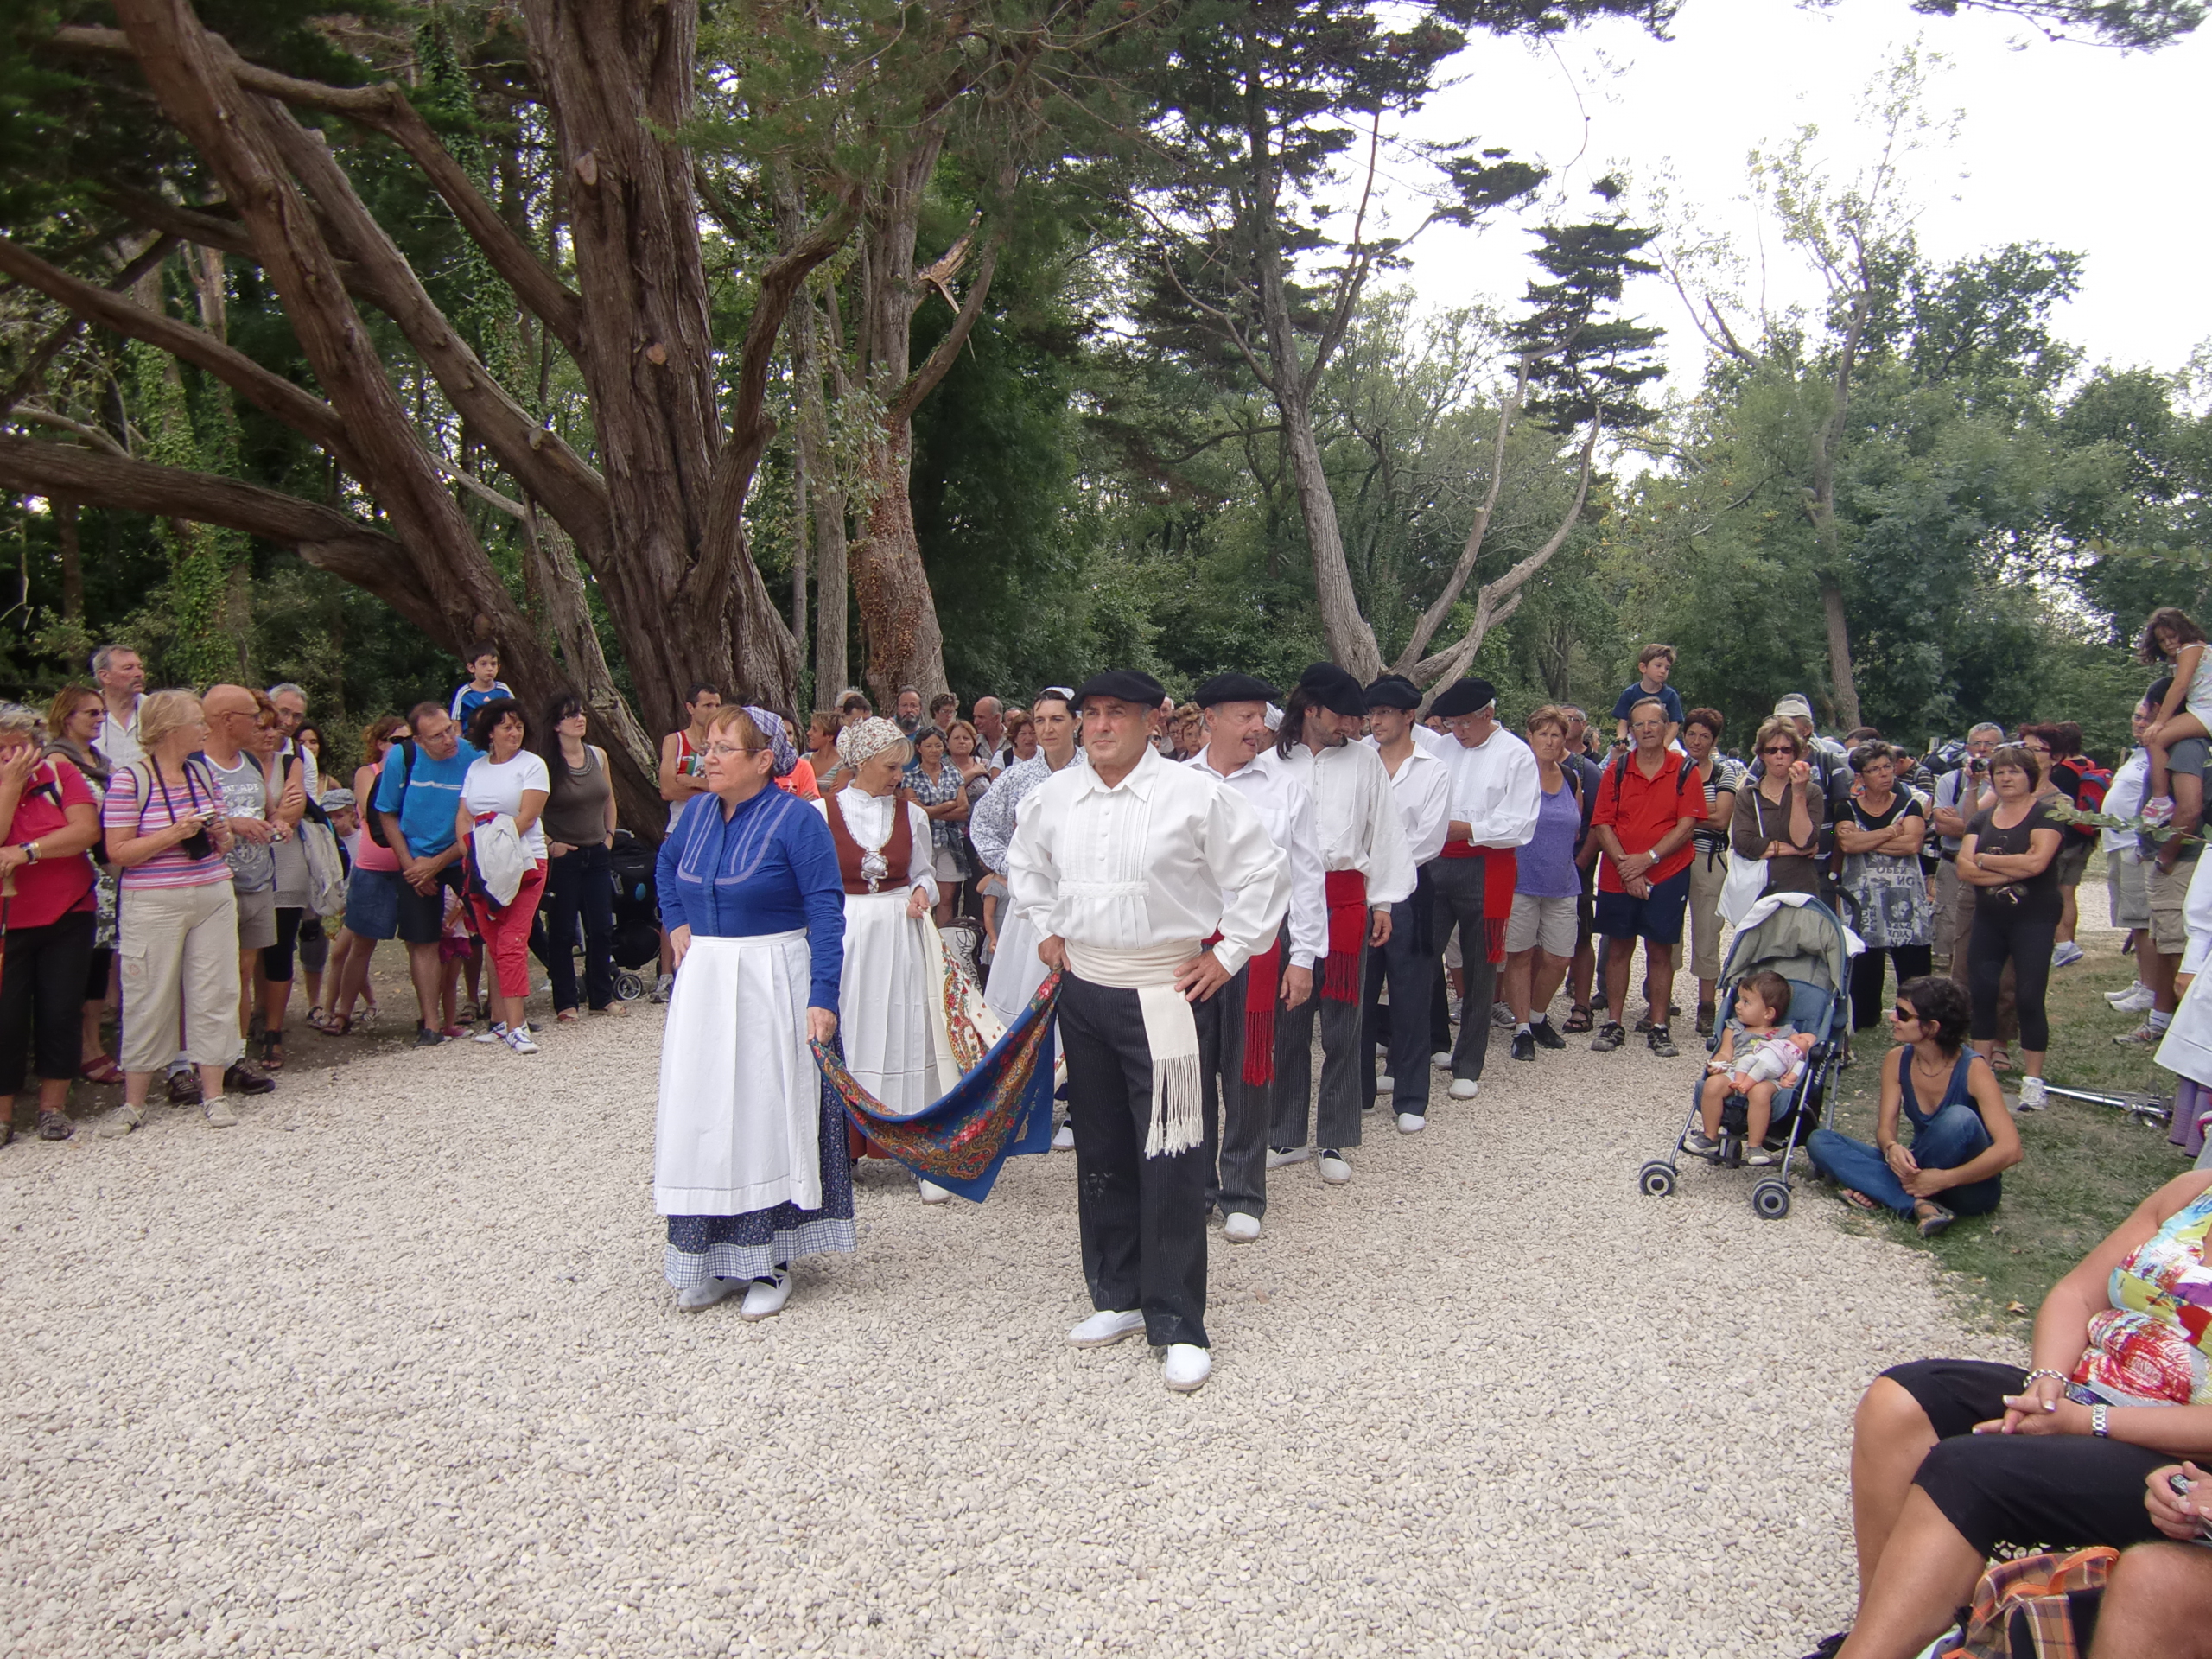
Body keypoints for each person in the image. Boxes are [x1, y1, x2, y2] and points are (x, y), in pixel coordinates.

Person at [1006, 668, 1289, 1394]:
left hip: (1165, 992)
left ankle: (1178, 1321)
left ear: (1150, 722)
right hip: (1085, 991)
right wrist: (1046, 930)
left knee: (1170, 1154)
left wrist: (1228, 955)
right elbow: (1024, 864)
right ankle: (1118, 1293)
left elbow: (1264, 873)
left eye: (1117, 713)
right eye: (1092, 713)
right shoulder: (1055, 797)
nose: (1101, 726)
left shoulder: (1194, 796)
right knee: (1101, 1148)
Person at [1808, 1166, 2212, 1659]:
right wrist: (2046, 1383)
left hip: (2174, 1451)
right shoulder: (2194, 1191)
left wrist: (2085, 1422)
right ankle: (1880, 1632)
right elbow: (2078, 1293)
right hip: (2083, 1395)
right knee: (1901, 1401)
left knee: (1967, 1468)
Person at [652, 706, 847, 1320]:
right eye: (706, 747)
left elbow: (826, 910)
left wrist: (823, 994)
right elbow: (666, 866)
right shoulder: (697, 815)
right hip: (707, 982)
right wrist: (676, 921)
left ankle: (769, 1260)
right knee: (703, 1110)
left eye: (722, 748)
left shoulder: (798, 821)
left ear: (764, 760)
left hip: (771, 979)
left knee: (763, 1112)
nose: (707, 758)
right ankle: (710, 1257)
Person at [1185, 673, 1322, 1243]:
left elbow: (1306, 876)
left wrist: (1305, 956)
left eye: (1261, 715)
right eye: (1243, 716)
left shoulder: (1286, 788)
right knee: (1187, 1071)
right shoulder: (1176, 783)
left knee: (1248, 1070)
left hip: (1258, 947)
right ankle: (1193, 1189)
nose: (1257, 727)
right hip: (1189, 948)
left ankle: (1243, 1191)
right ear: (1210, 719)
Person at [1265, 664, 1414, 1183]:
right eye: (1344, 716)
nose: (1354, 726)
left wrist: (1383, 902)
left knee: (1344, 1025)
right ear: (1311, 709)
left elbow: (1384, 828)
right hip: (1284, 901)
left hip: (1347, 898)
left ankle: (1336, 1136)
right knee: (1287, 1022)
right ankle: (1286, 1133)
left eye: (1358, 717)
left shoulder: (1365, 761)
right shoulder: (1269, 763)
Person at [816, 716, 954, 1203]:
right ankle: (842, 1149)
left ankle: (914, 1150)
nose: (899, 776)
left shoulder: (912, 815)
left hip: (899, 934)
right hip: (846, 934)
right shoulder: (821, 811)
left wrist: (920, 892)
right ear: (862, 761)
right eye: (891, 766)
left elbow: (924, 873)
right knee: (849, 1029)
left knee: (905, 1030)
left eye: (902, 767)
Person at [96, 691, 245, 1135]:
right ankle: (134, 1103)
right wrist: (173, 834)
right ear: (169, 729)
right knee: (148, 994)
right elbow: (117, 851)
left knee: (216, 990)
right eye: (197, 722)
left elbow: (226, 843)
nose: (205, 729)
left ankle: (214, 1094)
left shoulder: (202, 774)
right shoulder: (130, 781)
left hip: (211, 891)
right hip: (153, 900)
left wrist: (221, 833)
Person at [1806, 976, 2020, 1240]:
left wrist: (1945, 1179)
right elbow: (1886, 1129)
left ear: (1932, 1027)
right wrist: (1891, 1148)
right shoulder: (1896, 1059)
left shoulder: (1974, 1069)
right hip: (1917, 1169)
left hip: (1968, 1187)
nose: (1893, 1018)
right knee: (1821, 1140)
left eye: (1903, 1014)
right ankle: (1921, 1206)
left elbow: (2011, 1150)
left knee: (1960, 1118)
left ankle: (1883, 1190)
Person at [1429, 677, 1541, 1100]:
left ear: (1488, 714)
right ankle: (1430, 1044)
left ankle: (1468, 1061)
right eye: (1451, 723)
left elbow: (1521, 823)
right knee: (1421, 957)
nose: (1457, 731)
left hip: (1486, 863)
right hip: (1436, 861)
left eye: (1464, 723)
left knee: (1480, 966)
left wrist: (1470, 829)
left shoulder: (1516, 754)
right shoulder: (1440, 748)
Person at [0, 704, 100, 1144]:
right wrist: (9, 786)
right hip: (8, 921)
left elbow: (85, 832)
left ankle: (53, 1108)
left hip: (68, 910)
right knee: (6, 1017)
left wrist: (27, 851)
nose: (11, 755)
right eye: (2, 748)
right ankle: (3, 1116)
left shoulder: (60, 775)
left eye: (19, 745)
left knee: (60, 1010)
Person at [1588, 696, 1707, 1058]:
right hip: (1619, 873)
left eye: (1653, 722)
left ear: (1667, 726)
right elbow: (1602, 822)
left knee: (1660, 950)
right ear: (1631, 730)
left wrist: (1648, 859)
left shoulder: (1684, 769)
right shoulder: (1617, 770)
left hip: (1668, 872)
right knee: (1618, 948)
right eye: (1638, 724)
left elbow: (1687, 825)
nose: (1646, 729)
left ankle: (1659, 1025)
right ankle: (1614, 1022)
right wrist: (1628, 868)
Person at [1361, 675, 1451, 1128]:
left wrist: (1383, 868)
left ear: (1408, 716)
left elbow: (1429, 838)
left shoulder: (1433, 769)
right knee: (1359, 992)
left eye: (1384, 713)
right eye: (1372, 713)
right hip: (1360, 890)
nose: (1375, 721)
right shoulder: (1358, 762)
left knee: (1411, 992)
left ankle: (1412, 1098)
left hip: (1411, 889)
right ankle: (1358, 1089)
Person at [1957, 743, 2065, 1110]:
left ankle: (2033, 1081)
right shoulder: (1981, 819)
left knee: (2029, 995)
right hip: (1990, 917)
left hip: (2034, 917)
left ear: (2030, 776)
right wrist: (2010, 869)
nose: (2006, 778)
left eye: (2014, 771)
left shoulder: (2046, 815)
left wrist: (1985, 860)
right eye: (2000, 772)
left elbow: (2038, 864)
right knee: (1982, 992)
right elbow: (1964, 869)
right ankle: (1981, 1071)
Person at [969, 688, 1082, 1035]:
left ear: (1076, 723)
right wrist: (1012, 868)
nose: (1048, 728)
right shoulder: (1017, 777)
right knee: (1025, 993)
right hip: (1032, 904)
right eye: (1041, 720)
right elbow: (982, 824)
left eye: (1057, 719)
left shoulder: (1094, 772)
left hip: (1079, 900)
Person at [197, 686, 291, 1084]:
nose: (260, 722)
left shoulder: (250, 761)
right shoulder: (195, 763)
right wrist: (234, 824)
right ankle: (196, 1061)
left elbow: (267, 809)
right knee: (208, 974)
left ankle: (235, 1057)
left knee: (243, 971)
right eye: (252, 715)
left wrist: (278, 821)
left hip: (257, 879)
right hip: (215, 880)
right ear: (226, 720)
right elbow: (187, 816)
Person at [374, 702, 479, 1047]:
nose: (448, 740)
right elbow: (387, 813)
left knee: (489, 928)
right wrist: (411, 866)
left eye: (450, 730)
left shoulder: (470, 755)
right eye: (437, 736)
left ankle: (501, 1014)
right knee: (423, 940)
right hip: (416, 857)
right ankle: (430, 1024)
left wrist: (438, 862)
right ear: (418, 740)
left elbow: (478, 816)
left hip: (459, 853)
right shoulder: (401, 759)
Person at [456, 697, 550, 1053]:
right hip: (481, 864)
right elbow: (464, 814)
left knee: (512, 939)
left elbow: (527, 816)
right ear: (490, 732)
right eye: (506, 727)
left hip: (524, 861)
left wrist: (491, 845)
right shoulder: (476, 768)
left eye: (519, 726)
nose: (514, 733)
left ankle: (517, 1024)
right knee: (494, 940)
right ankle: (502, 1021)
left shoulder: (532, 765)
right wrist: (471, 850)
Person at [44, 682, 122, 1087]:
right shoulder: (56, 762)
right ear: (66, 716)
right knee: (77, 963)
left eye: (102, 712)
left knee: (99, 961)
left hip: (108, 876)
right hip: (78, 875)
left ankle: (92, 1042)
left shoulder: (100, 762)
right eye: (91, 713)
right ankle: (81, 1049)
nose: (100, 719)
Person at [2123, 673, 2205, 1050]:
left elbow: (2189, 809)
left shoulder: (2186, 747)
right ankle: (2161, 1018)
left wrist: (2167, 854)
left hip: (2180, 860)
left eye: (2147, 710)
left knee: (2175, 945)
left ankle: (2180, 1028)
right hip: (2170, 858)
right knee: (2162, 938)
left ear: (2160, 707)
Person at [1502, 705, 1584, 1064]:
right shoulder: (1515, 776)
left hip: (1562, 882)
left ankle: (1537, 1015)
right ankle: (1522, 1028)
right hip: (1521, 880)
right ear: (1529, 736)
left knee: (1559, 957)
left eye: (1556, 735)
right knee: (1519, 955)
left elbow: (1577, 823)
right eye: (1543, 734)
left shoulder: (1571, 777)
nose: (1550, 741)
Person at [1836, 743, 1936, 1033]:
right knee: (1864, 964)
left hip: (1905, 898)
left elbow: (1912, 844)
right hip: (1863, 900)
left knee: (1914, 965)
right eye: (1874, 769)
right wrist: (1892, 831)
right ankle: (1865, 1016)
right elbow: (1847, 843)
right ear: (1860, 777)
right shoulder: (1845, 808)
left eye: (1887, 767)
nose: (1884, 774)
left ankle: (1917, 1017)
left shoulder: (1911, 805)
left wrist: (1866, 840)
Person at [537, 690, 622, 1024]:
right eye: (571, 715)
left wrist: (610, 836)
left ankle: (602, 995)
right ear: (557, 725)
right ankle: (566, 1000)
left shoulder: (598, 756)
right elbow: (532, 809)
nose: (580, 719)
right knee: (562, 931)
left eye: (582, 713)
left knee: (601, 927)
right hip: (565, 856)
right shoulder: (545, 763)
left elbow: (608, 798)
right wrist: (550, 844)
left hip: (597, 851)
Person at [322, 715, 408, 1035]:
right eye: (396, 741)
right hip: (373, 867)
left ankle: (433, 1017)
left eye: (408, 741)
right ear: (380, 743)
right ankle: (343, 1012)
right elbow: (376, 810)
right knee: (360, 945)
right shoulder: (367, 773)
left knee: (424, 944)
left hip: (409, 867)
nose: (403, 747)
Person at [1688, 970, 1817, 1165]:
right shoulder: (1734, 1029)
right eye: (1739, 999)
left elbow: (1801, 1052)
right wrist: (1717, 1063)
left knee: (1760, 1092)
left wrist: (1792, 1074)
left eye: (1746, 1002)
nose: (1737, 1006)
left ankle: (1755, 1146)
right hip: (1735, 1072)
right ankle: (1710, 1136)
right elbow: (1725, 1053)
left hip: (1769, 1078)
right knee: (1712, 1084)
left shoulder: (1786, 1034)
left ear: (1768, 1013)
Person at [656, 683, 722, 1001]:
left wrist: (695, 782)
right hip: (680, 828)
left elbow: (728, 787)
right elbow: (668, 789)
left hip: (715, 828)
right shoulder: (676, 741)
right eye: (707, 705)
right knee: (674, 898)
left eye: (717, 705)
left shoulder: (722, 743)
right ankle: (666, 973)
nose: (713, 711)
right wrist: (710, 787)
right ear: (690, 708)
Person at [1680, 708, 1744, 1035]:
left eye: (1705, 736)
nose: (1697, 741)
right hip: (1675, 858)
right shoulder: (1674, 770)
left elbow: (1722, 819)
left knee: (1707, 934)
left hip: (1708, 859)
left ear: (1714, 741)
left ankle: (1706, 1006)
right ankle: (1658, 1000)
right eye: (1692, 734)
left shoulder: (1723, 773)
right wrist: (1702, 812)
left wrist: (1685, 817)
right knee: (1667, 933)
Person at [1931, 723, 2004, 968]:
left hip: (1992, 865)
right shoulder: (1951, 780)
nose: (1982, 749)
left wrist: (1962, 822)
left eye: (1989, 744)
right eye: (1976, 743)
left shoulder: (2006, 783)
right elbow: (1942, 826)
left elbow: (1984, 827)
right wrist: (1972, 825)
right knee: (1951, 924)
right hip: (1953, 861)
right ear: (1967, 747)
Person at [1733, 716, 1825, 900]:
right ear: (1761, 755)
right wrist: (1796, 851)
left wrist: (1798, 793)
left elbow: (1804, 841)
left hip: (1801, 889)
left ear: (1795, 753)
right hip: (1759, 892)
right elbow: (1745, 844)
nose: (1779, 755)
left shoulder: (1812, 792)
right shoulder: (1747, 795)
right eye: (1771, 750)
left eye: (1786, 750)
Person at [2104, 698, 2155, 1014]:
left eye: (2147, 718)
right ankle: (2143, 979)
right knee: (2133, 921)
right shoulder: (2138, 754)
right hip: (2117, 843)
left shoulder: (2160, 754)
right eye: (2137, 716)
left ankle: (2152, 989)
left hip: (2134, 845)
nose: (2140, 722)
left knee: (2143, 920)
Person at [2140, 605, 2212, 814]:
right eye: (2162, 640)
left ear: (2183, 630)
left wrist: (2159, 722)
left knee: (2154, 738)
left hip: (2206, 708)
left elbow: (2180, 686)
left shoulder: (2191, 649)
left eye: (2172, 636)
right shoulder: (2188, 652)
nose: (2168, 643)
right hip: (2200, 707)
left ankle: (2160, 799)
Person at [902, 725, 969, 927]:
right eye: (928, 746)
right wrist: (947, 806)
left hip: (950, 841)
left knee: (947, 897)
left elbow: (963, 810)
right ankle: (923, 936)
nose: (934, 750)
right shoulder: (910, 777)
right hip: (923, 842)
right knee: (921, 894)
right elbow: (914, 812)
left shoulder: (954, 774)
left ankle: (942, 938)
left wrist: (928, 810)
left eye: (938, 745)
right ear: (919, 748)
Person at [1610, 643, 1684, 748]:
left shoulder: (1671, 695)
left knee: (1677, 754)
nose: (1663, 671)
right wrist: (1621, 738)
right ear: (1643, 667)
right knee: (1617, 753)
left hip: (1664, 738)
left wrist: (1664, 746)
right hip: (1636, 737)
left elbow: (1674, 726)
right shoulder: (1630, 693)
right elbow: (1623, 722)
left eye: (1667, 668)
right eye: (1658, 666)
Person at [90, 643, 145, 770]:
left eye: (140, 667)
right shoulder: (84, 713)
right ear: (105, 676)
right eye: (128, 668)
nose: (138, 673)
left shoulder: (156, 709)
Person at [448, 644, 512, 733]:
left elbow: (514, 714)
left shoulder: (503, 690)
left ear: (498, 667)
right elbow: (456, 721)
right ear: (471, 668)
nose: (489, 668)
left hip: (499, 737)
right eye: (483, 664)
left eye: (493, 664)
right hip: (472, 738)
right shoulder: (464, 693)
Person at [804, 710, 842, 789]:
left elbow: (837, 796)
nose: (808, 733)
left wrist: (808, 790)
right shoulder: (804, 759)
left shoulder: (843, 764)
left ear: (829, 737)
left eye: (814, 730)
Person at [972, 696, 1007, 767]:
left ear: (997, 718)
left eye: (981, 717)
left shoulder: (1015, 741)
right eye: (975, 717)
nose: (975, 722)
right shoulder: (973, 743)